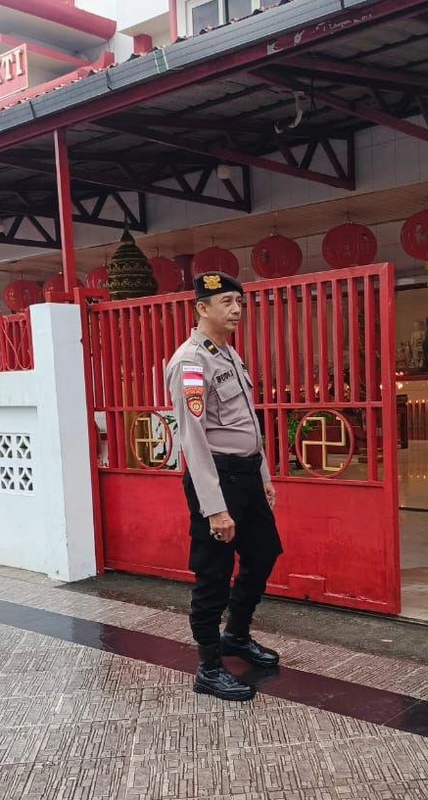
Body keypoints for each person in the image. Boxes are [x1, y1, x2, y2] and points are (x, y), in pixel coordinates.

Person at [165, 272, 282, 702]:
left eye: (239, 302)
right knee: (213, 574)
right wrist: (214, 506)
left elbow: (248, 423)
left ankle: (236, 634)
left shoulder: (229, 354)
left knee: (263, 553)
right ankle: (209, 667)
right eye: (227, 302)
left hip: (246, 475)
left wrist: (264, 476)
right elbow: (193, 438)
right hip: (217, 478)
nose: (236, 310)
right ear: (202, 308)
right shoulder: (191, 363)